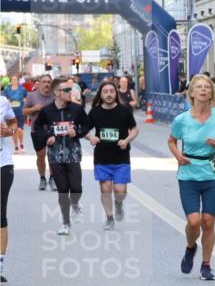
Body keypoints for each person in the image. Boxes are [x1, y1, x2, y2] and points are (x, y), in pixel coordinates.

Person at [166, 74, 215, 281]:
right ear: (192, 93)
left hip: (212, 171)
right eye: (199, 87)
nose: (203, 90)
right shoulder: (181, 119)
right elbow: (171, 140)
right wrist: (178, 156)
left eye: (207, 87)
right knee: (194, 222)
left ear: (211, 93)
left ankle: (206, 265)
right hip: (188, 173)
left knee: (208, 221)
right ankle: (190, 247)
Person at [33, 77, 92, 235]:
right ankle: (66, 223)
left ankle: (75, 205)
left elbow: (87, 125)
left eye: (70, 89)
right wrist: (47, 137)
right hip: (55, 156)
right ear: (57, 92)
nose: (70, 92)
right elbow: (37, 127)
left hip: (73, 154)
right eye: (66, 90)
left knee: (76, 187)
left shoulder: (76, 109)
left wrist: (77, 132)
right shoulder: (46, 111)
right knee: (62, 190)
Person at [85, 80, 138, 230]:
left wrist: (126, 140)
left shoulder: (124, 110)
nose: (109, 94)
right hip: (102, 158)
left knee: (120, 191)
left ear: (116, 93)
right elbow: (85, 130)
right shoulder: (95, 112)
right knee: (105, 189)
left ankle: (119, 203)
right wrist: (91, 138)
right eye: (105, 92)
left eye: (111, 91)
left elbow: (135, 130)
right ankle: (109, 217)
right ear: (100, 95)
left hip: (121, 157)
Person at [23, 74, 56, 191]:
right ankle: (42, 178)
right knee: (41, 156)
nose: (47, 84)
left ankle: (52, 178)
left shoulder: (55, 95)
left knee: (53, 155)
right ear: (40, 83)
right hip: (37, 130)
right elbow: (24, 111)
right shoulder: (32, 95)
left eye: (49, 82)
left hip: (53, 129)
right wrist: (34, 109)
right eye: (44, 82)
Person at [0, 94, 18, 283]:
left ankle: (0, 263)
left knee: (0, 212)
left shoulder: (3, 102)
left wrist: (10, 132)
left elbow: (14, 123)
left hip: (2, 164)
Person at [2, 75, 28, 152]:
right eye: (12, 80)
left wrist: (23, 102)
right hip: (10, 114)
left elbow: (26, 97)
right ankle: (16, 146)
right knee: (13, 130)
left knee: (20, 129)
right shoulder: (7, 89)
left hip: (20, 112)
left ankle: (22, 144)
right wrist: (8, 101)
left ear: (18, 81)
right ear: (10, 81)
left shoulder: (22, 89)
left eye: (15, 79)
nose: (14, 81)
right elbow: (4, 99)